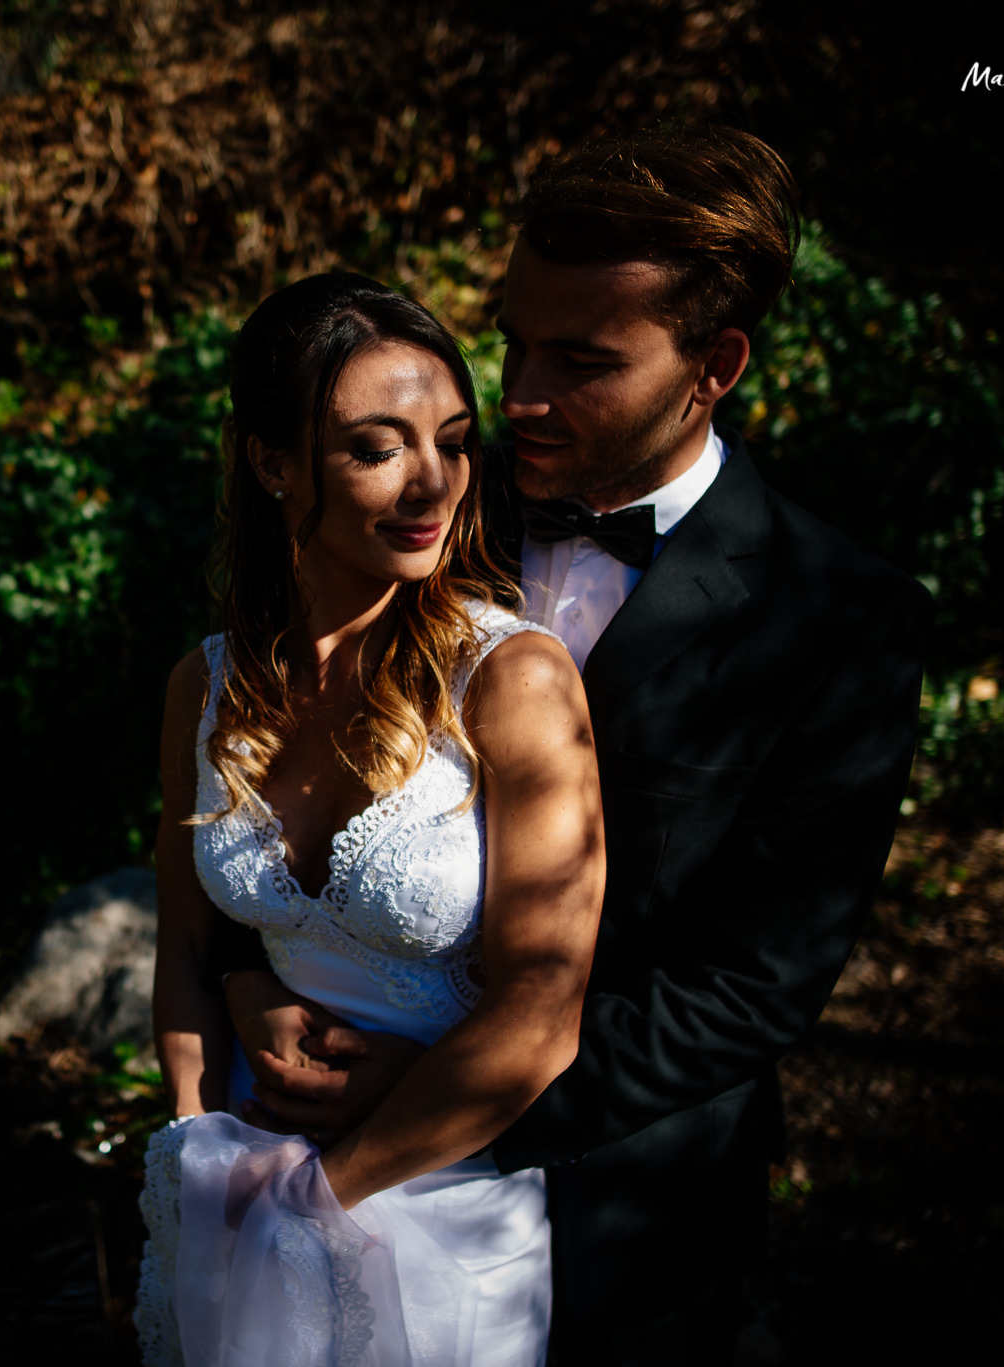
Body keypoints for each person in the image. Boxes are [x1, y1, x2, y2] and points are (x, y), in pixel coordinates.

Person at [218, 126, 931, 1364]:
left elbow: (749, 986)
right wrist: (252, 980)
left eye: (581, 361)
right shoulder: (412, 502)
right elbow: (246, 767)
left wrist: (449, 1093)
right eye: (515, 342)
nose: (523, 393)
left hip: (624, 1210)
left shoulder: (834, 618)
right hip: (307, 1151)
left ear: (713, 366)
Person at [135, 272, 606, 1367]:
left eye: (451, 439)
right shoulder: (199, 688)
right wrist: (201, 1150)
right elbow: (185, 947)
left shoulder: (512, 679)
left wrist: (316, 1203)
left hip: (445, 1205)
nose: (431, 483)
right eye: (375, 446)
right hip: (244, 1181)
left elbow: (540, 1007)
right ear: (270, 463)